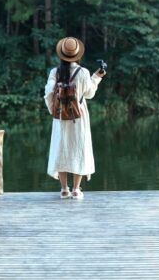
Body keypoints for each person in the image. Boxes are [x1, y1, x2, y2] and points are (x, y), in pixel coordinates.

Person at [44, 37, 106, 199]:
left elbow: (48, 93)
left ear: (61, 55)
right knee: (80, 147)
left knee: (61, 148)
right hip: (78, 117)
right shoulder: (83, 72)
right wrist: (97, 76)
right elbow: (90, 93)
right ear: (77, 55)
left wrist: (55, 110)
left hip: (60, 117)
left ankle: (64, 189)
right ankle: (77, 189)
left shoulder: (54, 72)